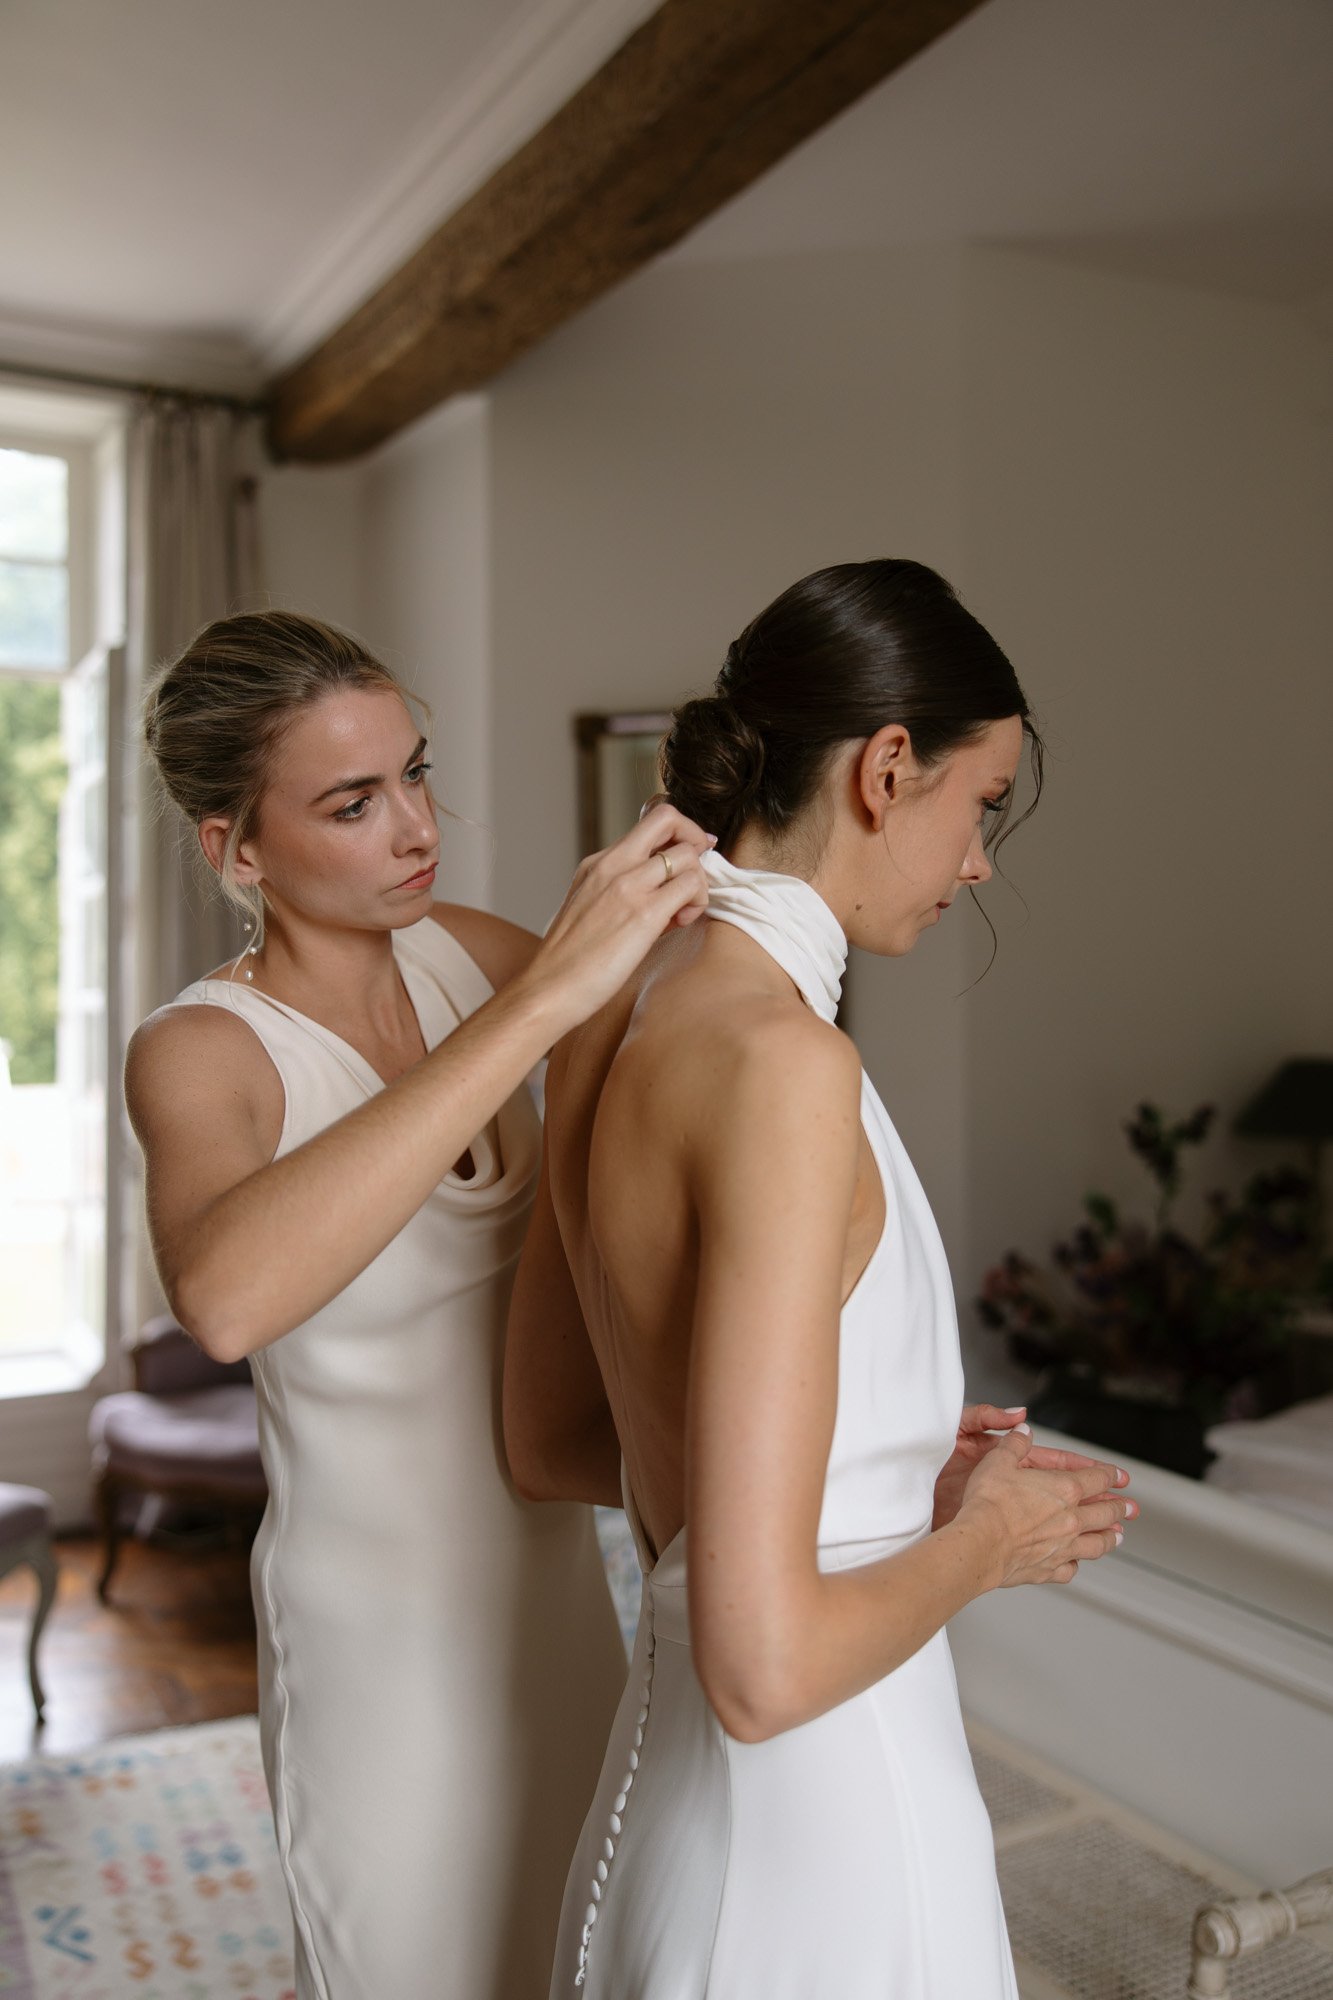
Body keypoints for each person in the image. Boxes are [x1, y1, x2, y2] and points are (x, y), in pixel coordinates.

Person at [504, 560, 1138, 1998]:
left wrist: (876, 1483)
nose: (979, 861)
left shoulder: (615, 1023)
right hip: (826, 1849)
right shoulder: (788, 1068)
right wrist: (987, 1544)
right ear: (887, 767)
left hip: (656, 1833)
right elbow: (762, 1671)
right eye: (982, 805)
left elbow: (552, 1443)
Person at [124, 610, 714, 2000]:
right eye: (350, 800)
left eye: (413, 774)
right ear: (235, 849)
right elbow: (224, 1299)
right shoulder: (206, 1049)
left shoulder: (457, 952)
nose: (412, 828)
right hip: (374, 1644)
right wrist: (542, 1007)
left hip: (556, 1595)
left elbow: (680, 1022)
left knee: (573, 1958)